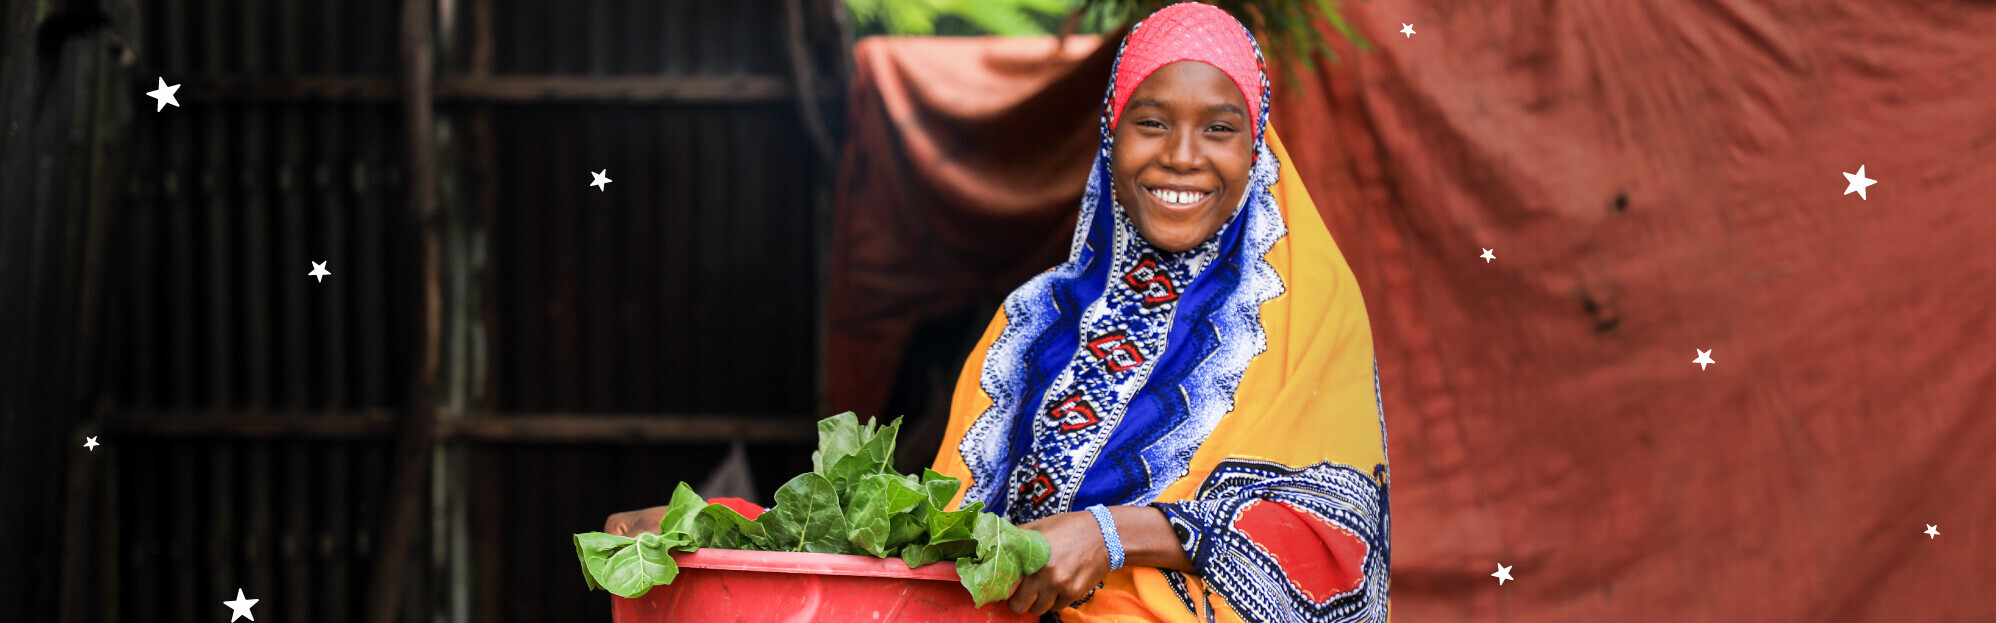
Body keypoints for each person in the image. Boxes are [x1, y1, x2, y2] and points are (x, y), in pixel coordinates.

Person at [608, 3, 1390, 621]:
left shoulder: (1299, 313)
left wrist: (1117, 535)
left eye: (1220, 128)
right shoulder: (1033, 323)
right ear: (1108, 137)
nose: (1183, 154)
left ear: (1256, 149)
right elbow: (947, 534)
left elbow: (1340, 531)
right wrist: (725, 528)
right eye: (1151, 121)